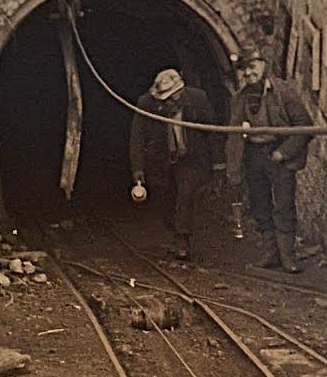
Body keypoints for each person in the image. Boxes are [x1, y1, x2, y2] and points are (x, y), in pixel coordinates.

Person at [226, 45, 313, 273]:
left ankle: (288, 257)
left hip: (280, 156)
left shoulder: (284, 92)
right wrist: (233, 170)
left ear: (263, 65)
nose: (248, 74)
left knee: (283, 206)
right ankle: (270, 254)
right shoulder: (240, 99)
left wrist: (283, 152)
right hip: (254, 156)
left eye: (252, 67)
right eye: (244, 70)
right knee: (260, 205)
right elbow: (233, 137)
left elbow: (305, 127)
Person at [130, 68, 215, 260]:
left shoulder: (198, 99)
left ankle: (182, 239)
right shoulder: (146, 105)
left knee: (185, 193)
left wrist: (217, 160)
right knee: (166, 198)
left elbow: (213, 129)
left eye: (175, 95)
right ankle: (174, 229)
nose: (172, 99)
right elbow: (137, 137)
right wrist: (138, 168)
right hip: (161, 160)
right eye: (168, 97)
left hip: (190, 159)